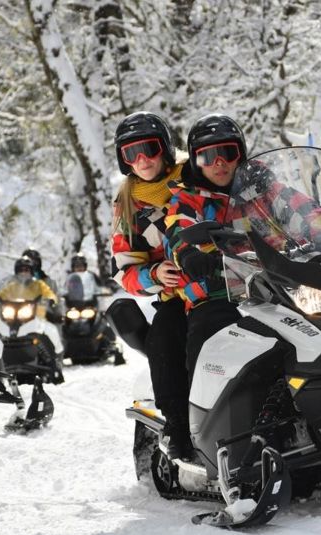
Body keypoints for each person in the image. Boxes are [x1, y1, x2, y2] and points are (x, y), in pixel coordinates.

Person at [110, 111, 192, 460]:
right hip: (180, 296)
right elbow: (124, 268)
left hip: (232, 282)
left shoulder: (194, 175)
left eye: (149, 149)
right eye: (132, 153)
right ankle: (179, 427)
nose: (142, 160)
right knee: (163, 338)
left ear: (166, 149)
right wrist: (154, 275)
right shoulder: (127, 203)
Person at [165, 114, 247, 378]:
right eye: (207, 157)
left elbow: (306, 211)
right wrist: (188, 253)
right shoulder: (189, 198)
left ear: (241, 154)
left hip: (278, 287)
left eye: (227, 153)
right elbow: (177, 229)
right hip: (217, 291)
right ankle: (203, 413)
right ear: (195, 161)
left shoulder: (263, 189)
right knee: (208, 333)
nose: (219, 163)